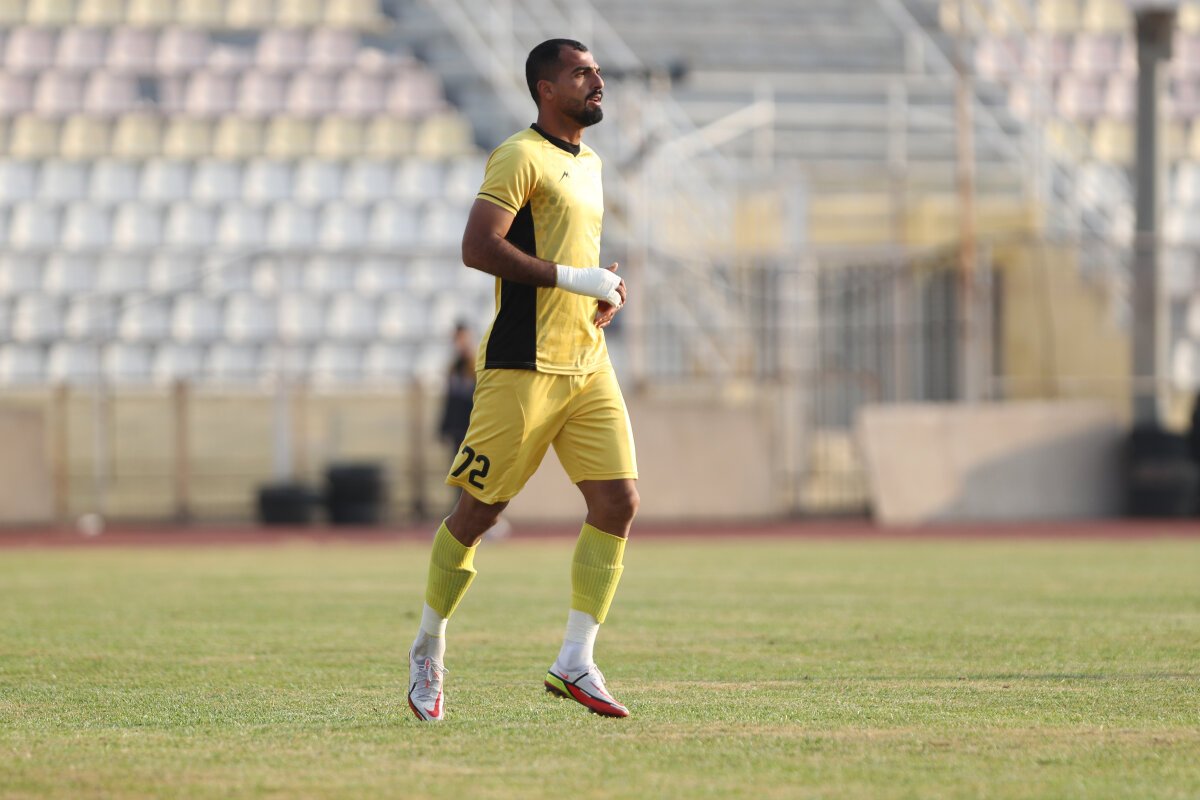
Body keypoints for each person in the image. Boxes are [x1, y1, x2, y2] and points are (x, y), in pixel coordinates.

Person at [407, 38, 639, 722]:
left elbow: (570, 256)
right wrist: (572, 278)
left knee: (618, 502)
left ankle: (575, 660)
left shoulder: (591, 163)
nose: (597, 81)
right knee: (478, 515)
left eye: (597, 71)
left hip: (588, 360)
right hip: (523, 364)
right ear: (546, 89)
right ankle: (428, 645)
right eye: (582, 73)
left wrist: (603, 288)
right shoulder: (518, 155)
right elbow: (478, 247)